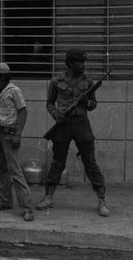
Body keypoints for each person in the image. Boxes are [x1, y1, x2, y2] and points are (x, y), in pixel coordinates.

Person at [36, 49, 110, 217]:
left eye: (84, 62)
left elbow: (93, 104)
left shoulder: (88, 81)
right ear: (69, 64)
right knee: (57, 162)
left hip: (82, 124)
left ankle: (102, 199)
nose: (82, 65)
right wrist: (56, 115)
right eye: (79, 62)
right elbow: (49, 103)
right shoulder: (56, 81)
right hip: (63, 125)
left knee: (90, 162)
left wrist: (87, 102)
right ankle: (48, 197)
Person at [0, 63, 34, 222]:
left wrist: (18, 135)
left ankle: (27, 207)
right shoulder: (0, 93)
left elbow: (23, 112)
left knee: (15, 170)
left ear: (1, 77)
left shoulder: (14, 91)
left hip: (9, 134)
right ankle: (5, 200)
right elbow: (3, 113)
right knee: (3, 169)